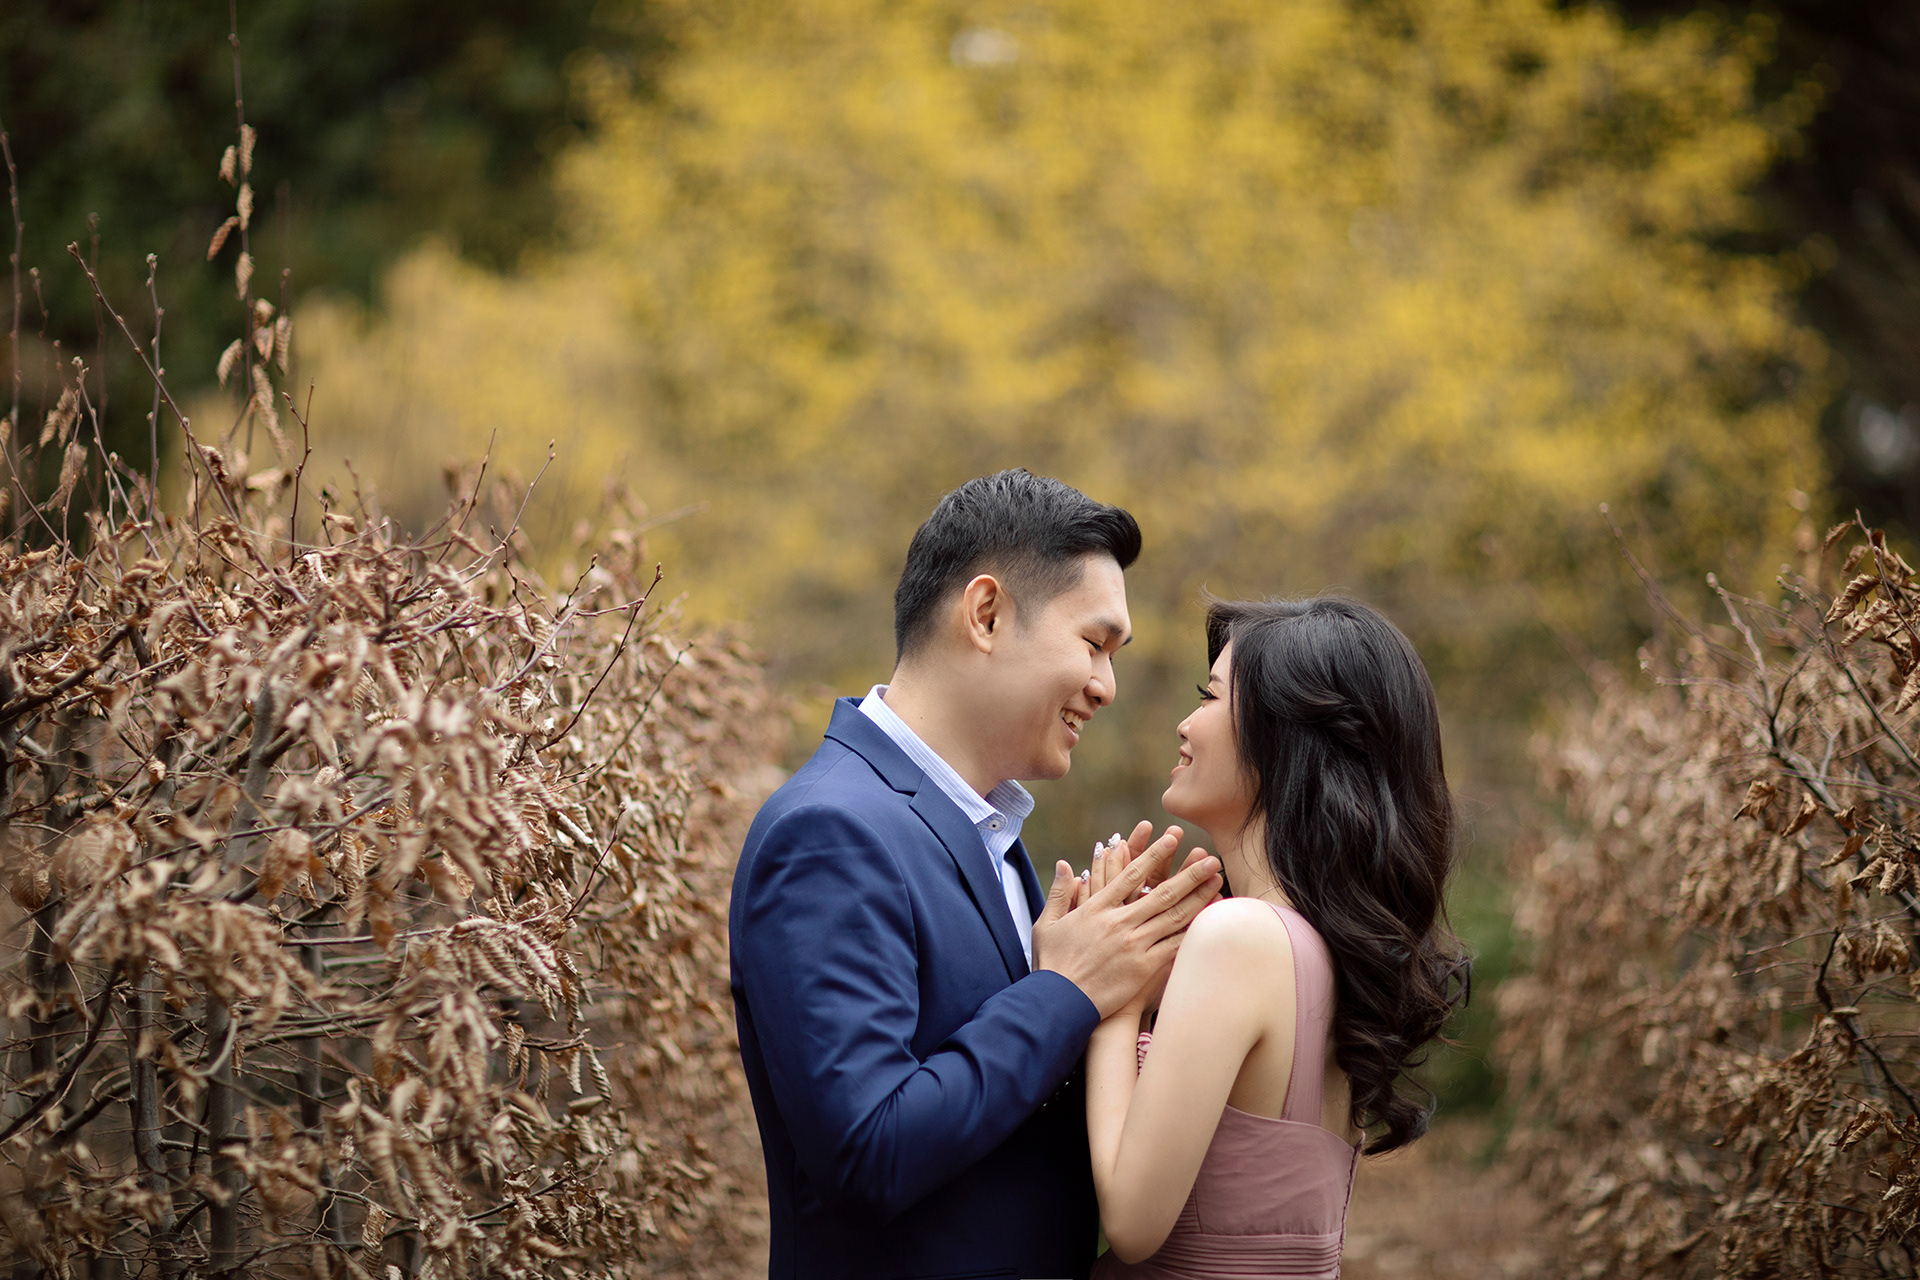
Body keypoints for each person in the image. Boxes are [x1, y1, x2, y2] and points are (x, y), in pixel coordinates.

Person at [730, 470, 1223, 1280]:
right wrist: (1065, 990)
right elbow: (868, 1153)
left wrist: (1136, 991)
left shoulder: (988, 834)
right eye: (1094, 644)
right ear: (986, 614)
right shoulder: (830, 831)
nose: (1106, 686)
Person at [1081, 597, 1467, 1278]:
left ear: (1286, 735)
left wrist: (1110, 992)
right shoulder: (1320, 946)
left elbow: (1132, 1224)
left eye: (1209, 696)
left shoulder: (1240, 938)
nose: (1184, 723)